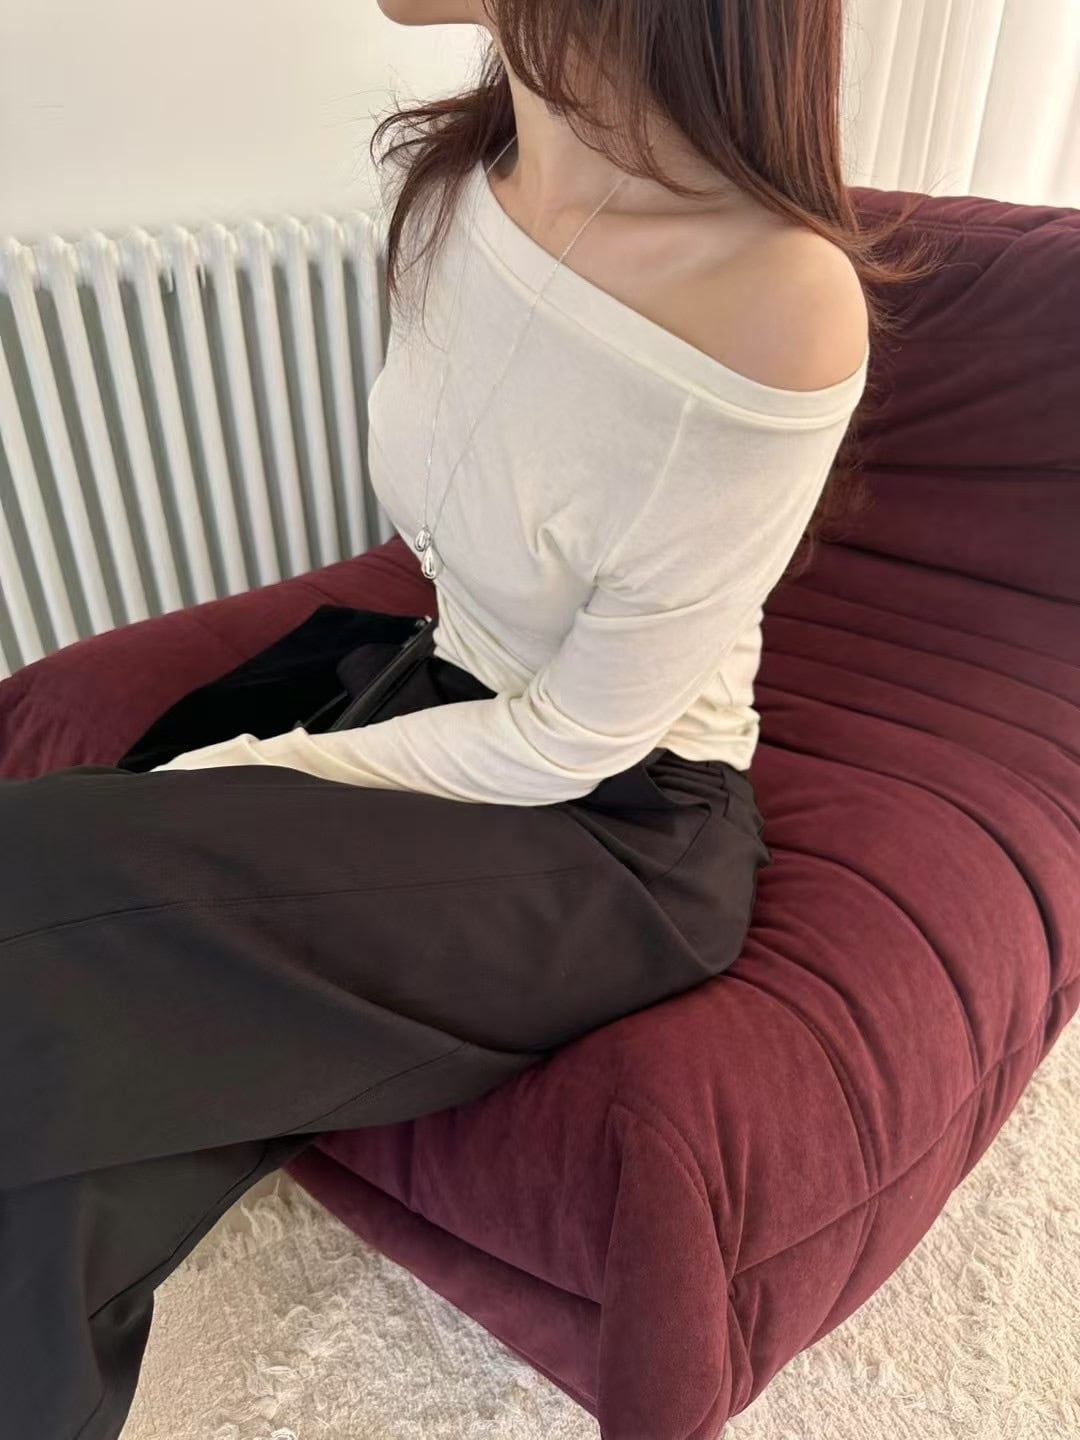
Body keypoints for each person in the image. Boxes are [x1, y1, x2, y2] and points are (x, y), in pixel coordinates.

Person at [2, 3, 906, 1435]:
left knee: (39, 884)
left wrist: (254, 770)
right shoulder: (454, 180)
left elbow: (573, 741)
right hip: (437, 699)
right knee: (49, 1188)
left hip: (617, 830)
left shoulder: (776, 296)